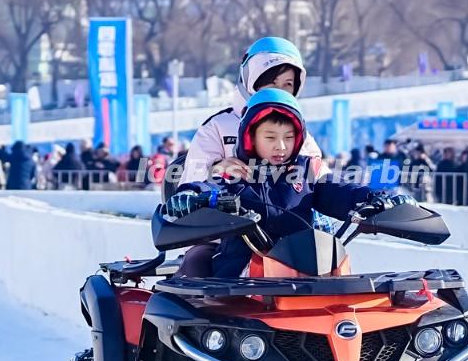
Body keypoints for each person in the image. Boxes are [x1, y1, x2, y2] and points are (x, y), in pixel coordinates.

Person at [168, 89, 392, 279]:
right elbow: (208, 187)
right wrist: (190, 195)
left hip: (307, 272)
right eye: (270, 137)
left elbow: (339, 191)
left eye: (289, 137)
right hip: (239, 279)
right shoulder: (234, 172)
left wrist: (378, 198)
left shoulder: (305, 172)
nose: (281, 146)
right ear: (250, 136)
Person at [183, 37, 322, 184]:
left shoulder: (298, 132)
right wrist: (216, 170)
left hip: (286, 206)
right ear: (250, 80)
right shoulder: (217, 127)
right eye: (271, 82)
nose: (279, 91)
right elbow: (189, 183)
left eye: (288, 84)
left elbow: (322, 179)